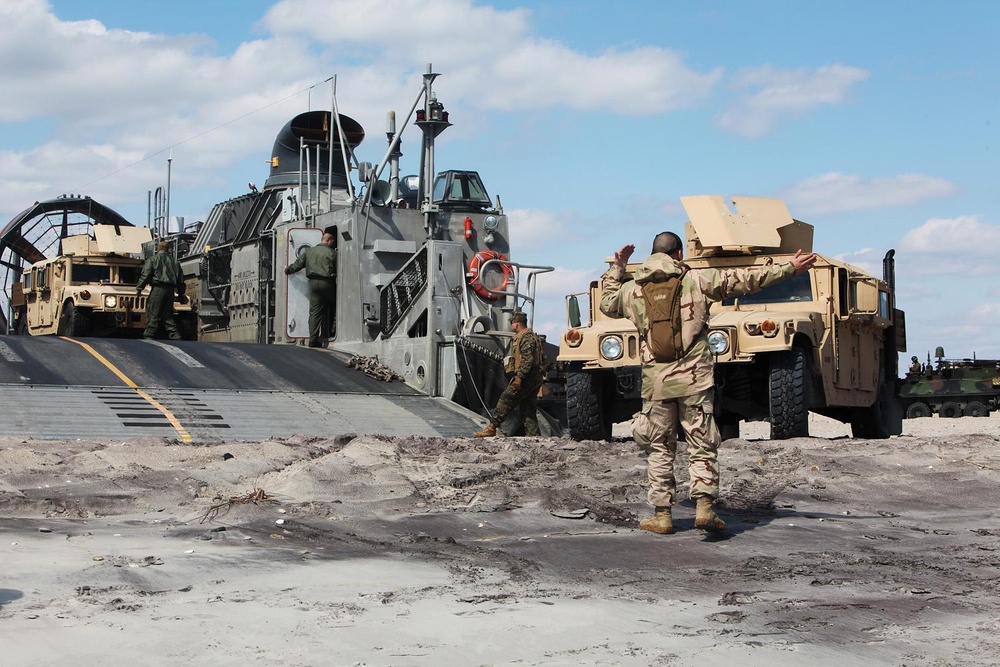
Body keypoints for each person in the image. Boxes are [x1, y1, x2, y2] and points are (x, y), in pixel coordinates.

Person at [600, 231, 816, 535]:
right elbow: (747, 280)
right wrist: (789, 268)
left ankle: (662, 516)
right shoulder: (698, 280)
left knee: (659, 448)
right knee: (701, 444)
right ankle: (704, 509)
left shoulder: (633, 291)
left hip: (655, 383)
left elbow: (606, 303)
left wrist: (618, 268)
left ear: (652, 255)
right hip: (695, 379)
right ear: (678, 255)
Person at [474, 311, 546, 437]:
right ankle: (533, 435)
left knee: (505, 400)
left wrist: (519, 378)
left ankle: (492, 427)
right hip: (535, 377)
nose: (511, 326)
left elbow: (527, 360)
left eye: (512, 323)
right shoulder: (532, 336)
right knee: (528, 409)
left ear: (516, 324)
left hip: (526, 378)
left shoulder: (526, 337)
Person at [284, 231, 337, 348]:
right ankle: (330, 330)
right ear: (328, 240)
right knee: (336, 305)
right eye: (332, 242)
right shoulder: (332, 253)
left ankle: (313, 339)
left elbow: (297, 265)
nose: (332, 244)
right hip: (327, 283)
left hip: (313, 284)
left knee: (314, 311)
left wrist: (288, 270)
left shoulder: (309, 251)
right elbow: (339, 269)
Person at [136, 240, 185, 340]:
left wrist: (139, 288)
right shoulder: (175, 262)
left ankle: (149, 335)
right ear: (168, 249)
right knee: (167, 314)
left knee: (153, 311)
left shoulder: (153, 259)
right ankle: (175, 335)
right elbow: (181, 280)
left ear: (158, 248)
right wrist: (180, 293)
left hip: (158, 289)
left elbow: (146, 275)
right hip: (170, 291)